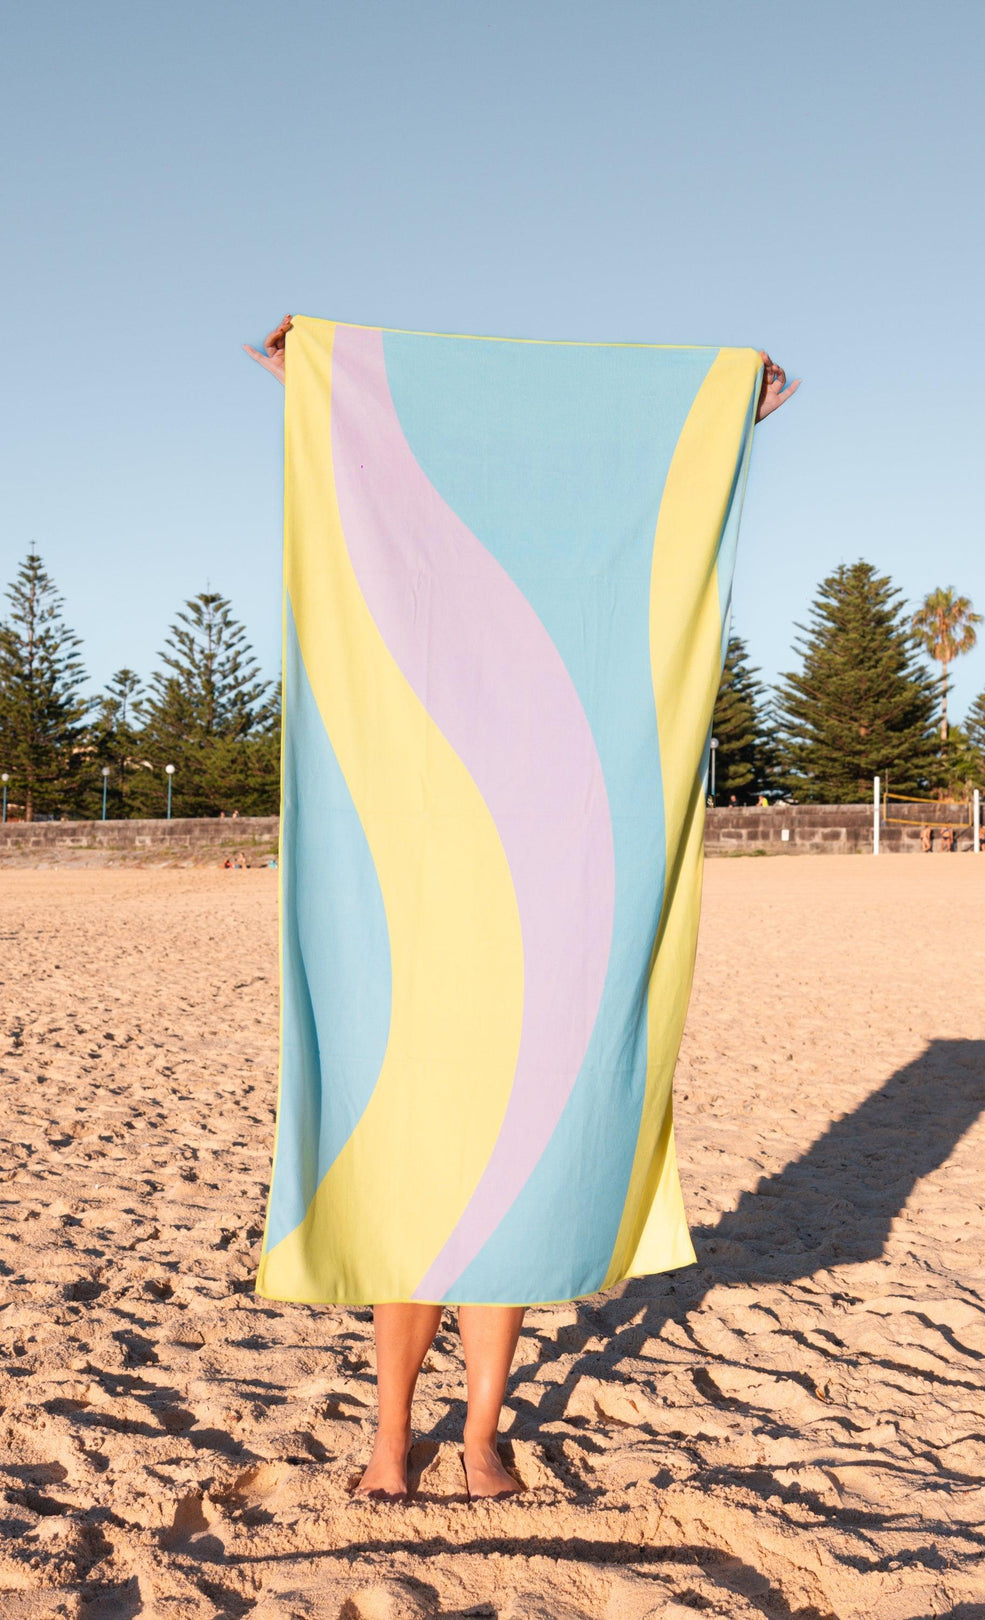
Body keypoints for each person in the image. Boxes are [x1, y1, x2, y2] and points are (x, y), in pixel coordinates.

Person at [247, 313, 799, 1500]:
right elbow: (383, 483)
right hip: (423, 922)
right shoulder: (420, 709)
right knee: (418, 1197)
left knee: (512, 1193)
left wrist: (710, 418)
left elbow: (616, 516)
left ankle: (483, 1435)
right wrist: (317, 387)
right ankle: (391, 1438)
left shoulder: (563, 733)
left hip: (541, 923)